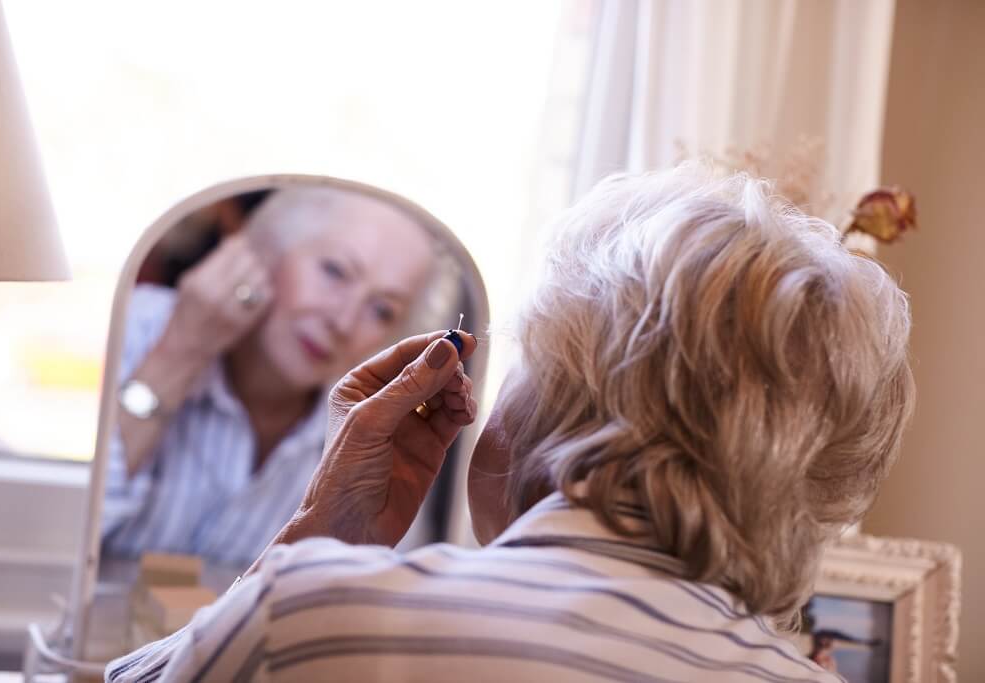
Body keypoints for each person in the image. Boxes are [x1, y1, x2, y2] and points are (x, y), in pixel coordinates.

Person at [106, 165, 914, 681]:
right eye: (333, 270)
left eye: (524, 359)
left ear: (558, 399)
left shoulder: (314, 617)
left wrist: (317, 536)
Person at [102, 187, 443, 567]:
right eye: (335, 271)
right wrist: (179, 354)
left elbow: (380, 592)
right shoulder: (135, 327)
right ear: (260, 252)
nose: (343, 322)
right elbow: (63, 530)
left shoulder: (376, 437)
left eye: (381, 310)